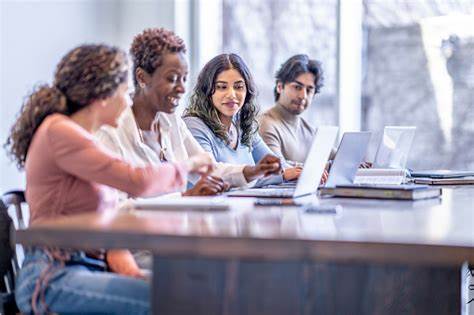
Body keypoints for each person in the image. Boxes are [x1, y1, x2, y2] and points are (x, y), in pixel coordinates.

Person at [5, 44, 212, 314]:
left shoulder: (82, 139)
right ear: (103, 95)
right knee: (170, 301)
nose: (128, 102)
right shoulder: (60, 132)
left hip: (84, 267)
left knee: (187, 293)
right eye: (125, 93)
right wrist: (190, 165)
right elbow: (138, 181)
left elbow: (109, 217)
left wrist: (130, 271)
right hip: (50, 278)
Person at [95, 28, 279, 196]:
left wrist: (251, 171)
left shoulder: (171, 120)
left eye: (184, 78)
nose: (182, 88)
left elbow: (207, 167)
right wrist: (186, 197)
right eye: (172, 79)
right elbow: (115, 207)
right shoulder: (110, 133)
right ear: (142, 78)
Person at [183, 53, 301, 187]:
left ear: (247, 91)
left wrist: (302, 171)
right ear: (207, 91)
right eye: (222, 87)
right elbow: (212, 178)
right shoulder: (193, 125)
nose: (231, 95)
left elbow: (277, 164)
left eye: (239, 87)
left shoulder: (243, 125)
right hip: (206, 207)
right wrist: (281, 176)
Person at [258, 54, 324, 165]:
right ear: (280, 87)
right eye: (297, 87)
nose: (303, 95)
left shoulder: (311, 131)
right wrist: (325, 166)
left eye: (309, 90)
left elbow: (341, 158)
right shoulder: (265, 124)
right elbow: (276, 167)